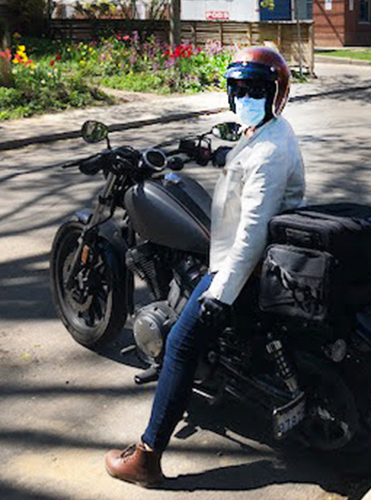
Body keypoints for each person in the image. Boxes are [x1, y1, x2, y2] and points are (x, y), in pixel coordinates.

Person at [103, 46, 306, 488]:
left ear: (277, 93)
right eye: (237, 89)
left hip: (244, 264)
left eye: (255, 89)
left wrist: (221, 295)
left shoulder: (270, 149)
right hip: (240, 251)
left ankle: (147, 456)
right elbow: (246, 166)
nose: (244, 97)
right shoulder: (266, 134)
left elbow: (252, 231)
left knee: (180, 342)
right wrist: (212, 154)